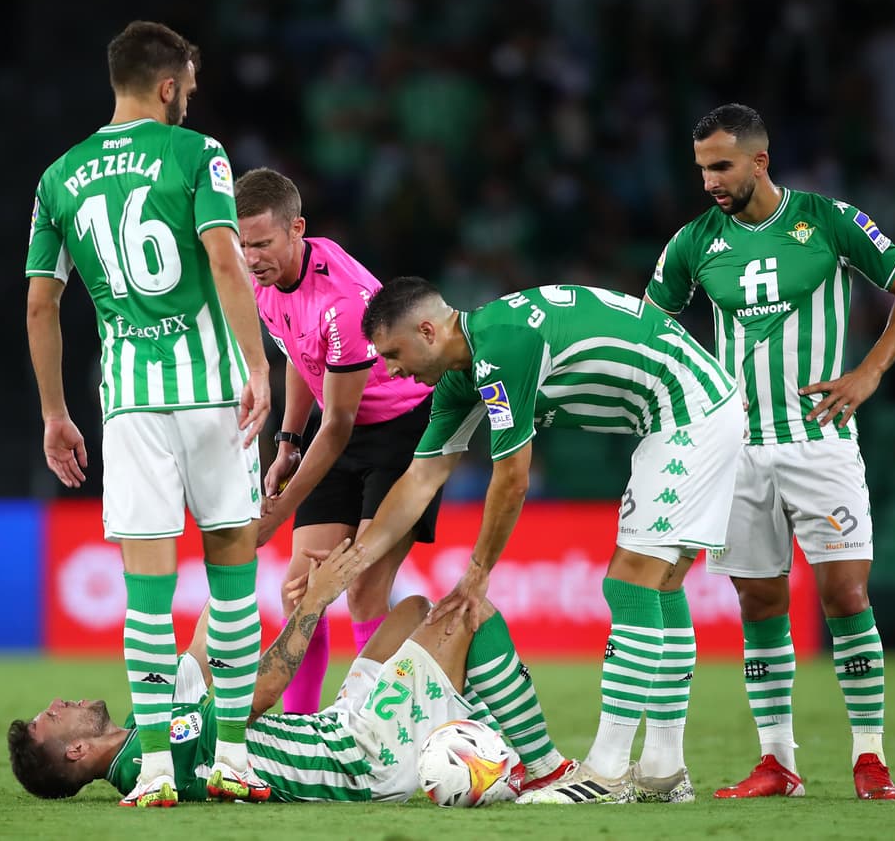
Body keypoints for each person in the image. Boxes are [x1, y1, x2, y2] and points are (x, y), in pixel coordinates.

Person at [319, 276, 744, 805]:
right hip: (693, 405)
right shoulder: (464, 373)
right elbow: (421, 478)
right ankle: (663, 769)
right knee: (661, 587)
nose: (390, 370)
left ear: (428, 331)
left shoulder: (501, 348)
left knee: (630, 584)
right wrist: (358, 558)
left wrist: (478, 571)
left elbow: (513, 477)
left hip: (689, 411)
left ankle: (606, 774)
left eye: (392, 353)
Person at [645, 103, 895, 801]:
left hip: (820, 441)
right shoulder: (692, 243)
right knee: (759, 600)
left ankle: (870, 756)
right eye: (702, 168)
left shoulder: (829, 219)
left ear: (759, 161)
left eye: (721, 166)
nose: (710, 180)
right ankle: (778, 762)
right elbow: (649, 332)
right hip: (737, 451)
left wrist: (867, 373)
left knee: (844, 593)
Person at [24, 20, 273, 808]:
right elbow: (227, 260)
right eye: (189, 89)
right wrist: (258, 362)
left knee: (147, 597)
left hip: (129, 400)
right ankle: (230, 754)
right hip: (212, 391)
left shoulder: (59, 177)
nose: (190, 101)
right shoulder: (197, 155)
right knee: (232, 579)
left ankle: (159, 767)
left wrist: (56, 413)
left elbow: (40, 305)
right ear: (168, 85)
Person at [7, 538, 571, 804]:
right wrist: (313, 603)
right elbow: (264, 690)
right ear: (75, 754)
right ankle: (545, 770)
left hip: (339, 724)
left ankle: (474, 738)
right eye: (48, 720)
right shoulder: (153, 763)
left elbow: (215, 632)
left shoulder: (146, 725)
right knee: (467, 611)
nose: (57, 703)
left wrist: (238, 539)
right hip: (360, 757)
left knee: (414, 611)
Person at [233, 167, 443, 714]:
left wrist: (277, 515)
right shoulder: (267, 285)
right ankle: (301, 728)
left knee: (363, 588)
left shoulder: (342, 303)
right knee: (299, 591)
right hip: (337, 431)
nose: (251, 257)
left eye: (262, 243)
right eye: (243, 243)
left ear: (296, 229)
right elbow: (301, 361)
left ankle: (368, 729)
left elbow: (341, 422)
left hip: (401, 435)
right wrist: (285, 441)